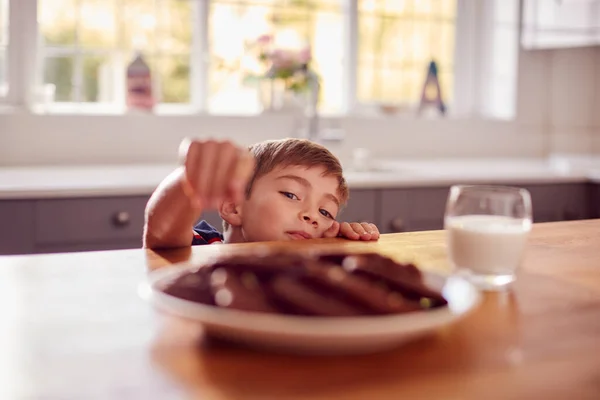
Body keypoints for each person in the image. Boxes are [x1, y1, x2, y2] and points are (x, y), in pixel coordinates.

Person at [143, 137, 380, 249]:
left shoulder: (305, 268)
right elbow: (162, 230)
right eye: (291, 194)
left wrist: (342, 244)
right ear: (233, 206)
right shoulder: (203, 248)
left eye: (326, 211)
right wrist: (191, 178)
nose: (313, 216)